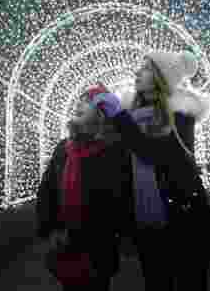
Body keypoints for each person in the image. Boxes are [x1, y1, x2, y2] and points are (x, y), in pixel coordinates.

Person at [93, 50, 210, 291]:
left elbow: (153, 153)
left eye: (146, 68)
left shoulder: (180, 115)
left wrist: (119, 116)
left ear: (161, 77)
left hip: (185, 222)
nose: (137, 72)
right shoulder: (132, 118)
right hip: (148, 226)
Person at [36, 84, 133, 291]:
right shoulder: (63, 148)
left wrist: (119, 235)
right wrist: (51, 228)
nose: (79, 103)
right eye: (79, 99)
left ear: (101, 114)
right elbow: (47, 190)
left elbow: (121, 199)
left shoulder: (113, 151)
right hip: (65, 244)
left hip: (97, 249)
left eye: (88, 101)